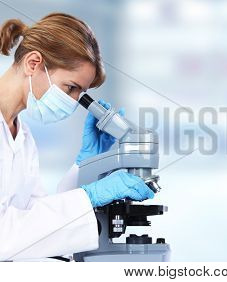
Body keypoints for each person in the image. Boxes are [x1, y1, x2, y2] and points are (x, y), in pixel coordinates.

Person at [0, 13, 154, 261]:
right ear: (33, 63)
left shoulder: (22, 136)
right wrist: (90, 196)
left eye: (80, 93)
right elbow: (5, 237)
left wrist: (84, 168)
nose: (74, 102)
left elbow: (37, 223)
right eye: (71, 88)